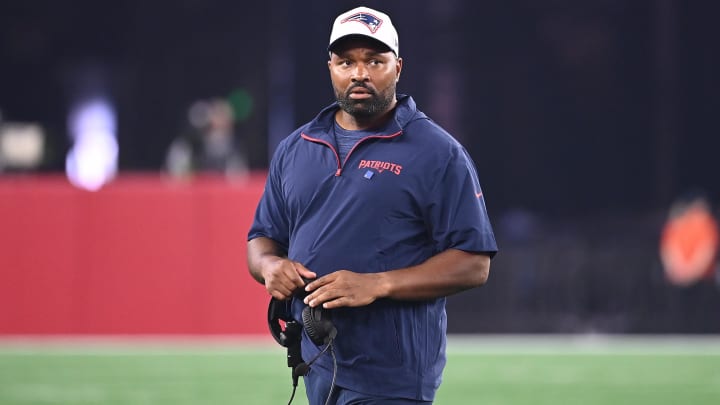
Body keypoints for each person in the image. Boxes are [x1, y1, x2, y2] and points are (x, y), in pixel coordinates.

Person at [247, 6, 497, 404]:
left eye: (374, 61)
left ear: (397, 68)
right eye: (346, 62)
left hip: (392, 371)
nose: (359, 73)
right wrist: (270, 267)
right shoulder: (296, 148)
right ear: (330, 67)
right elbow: (262, 238)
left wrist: (377, 284)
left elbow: (474, 262)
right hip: (317, 358)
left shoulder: (438, 152)